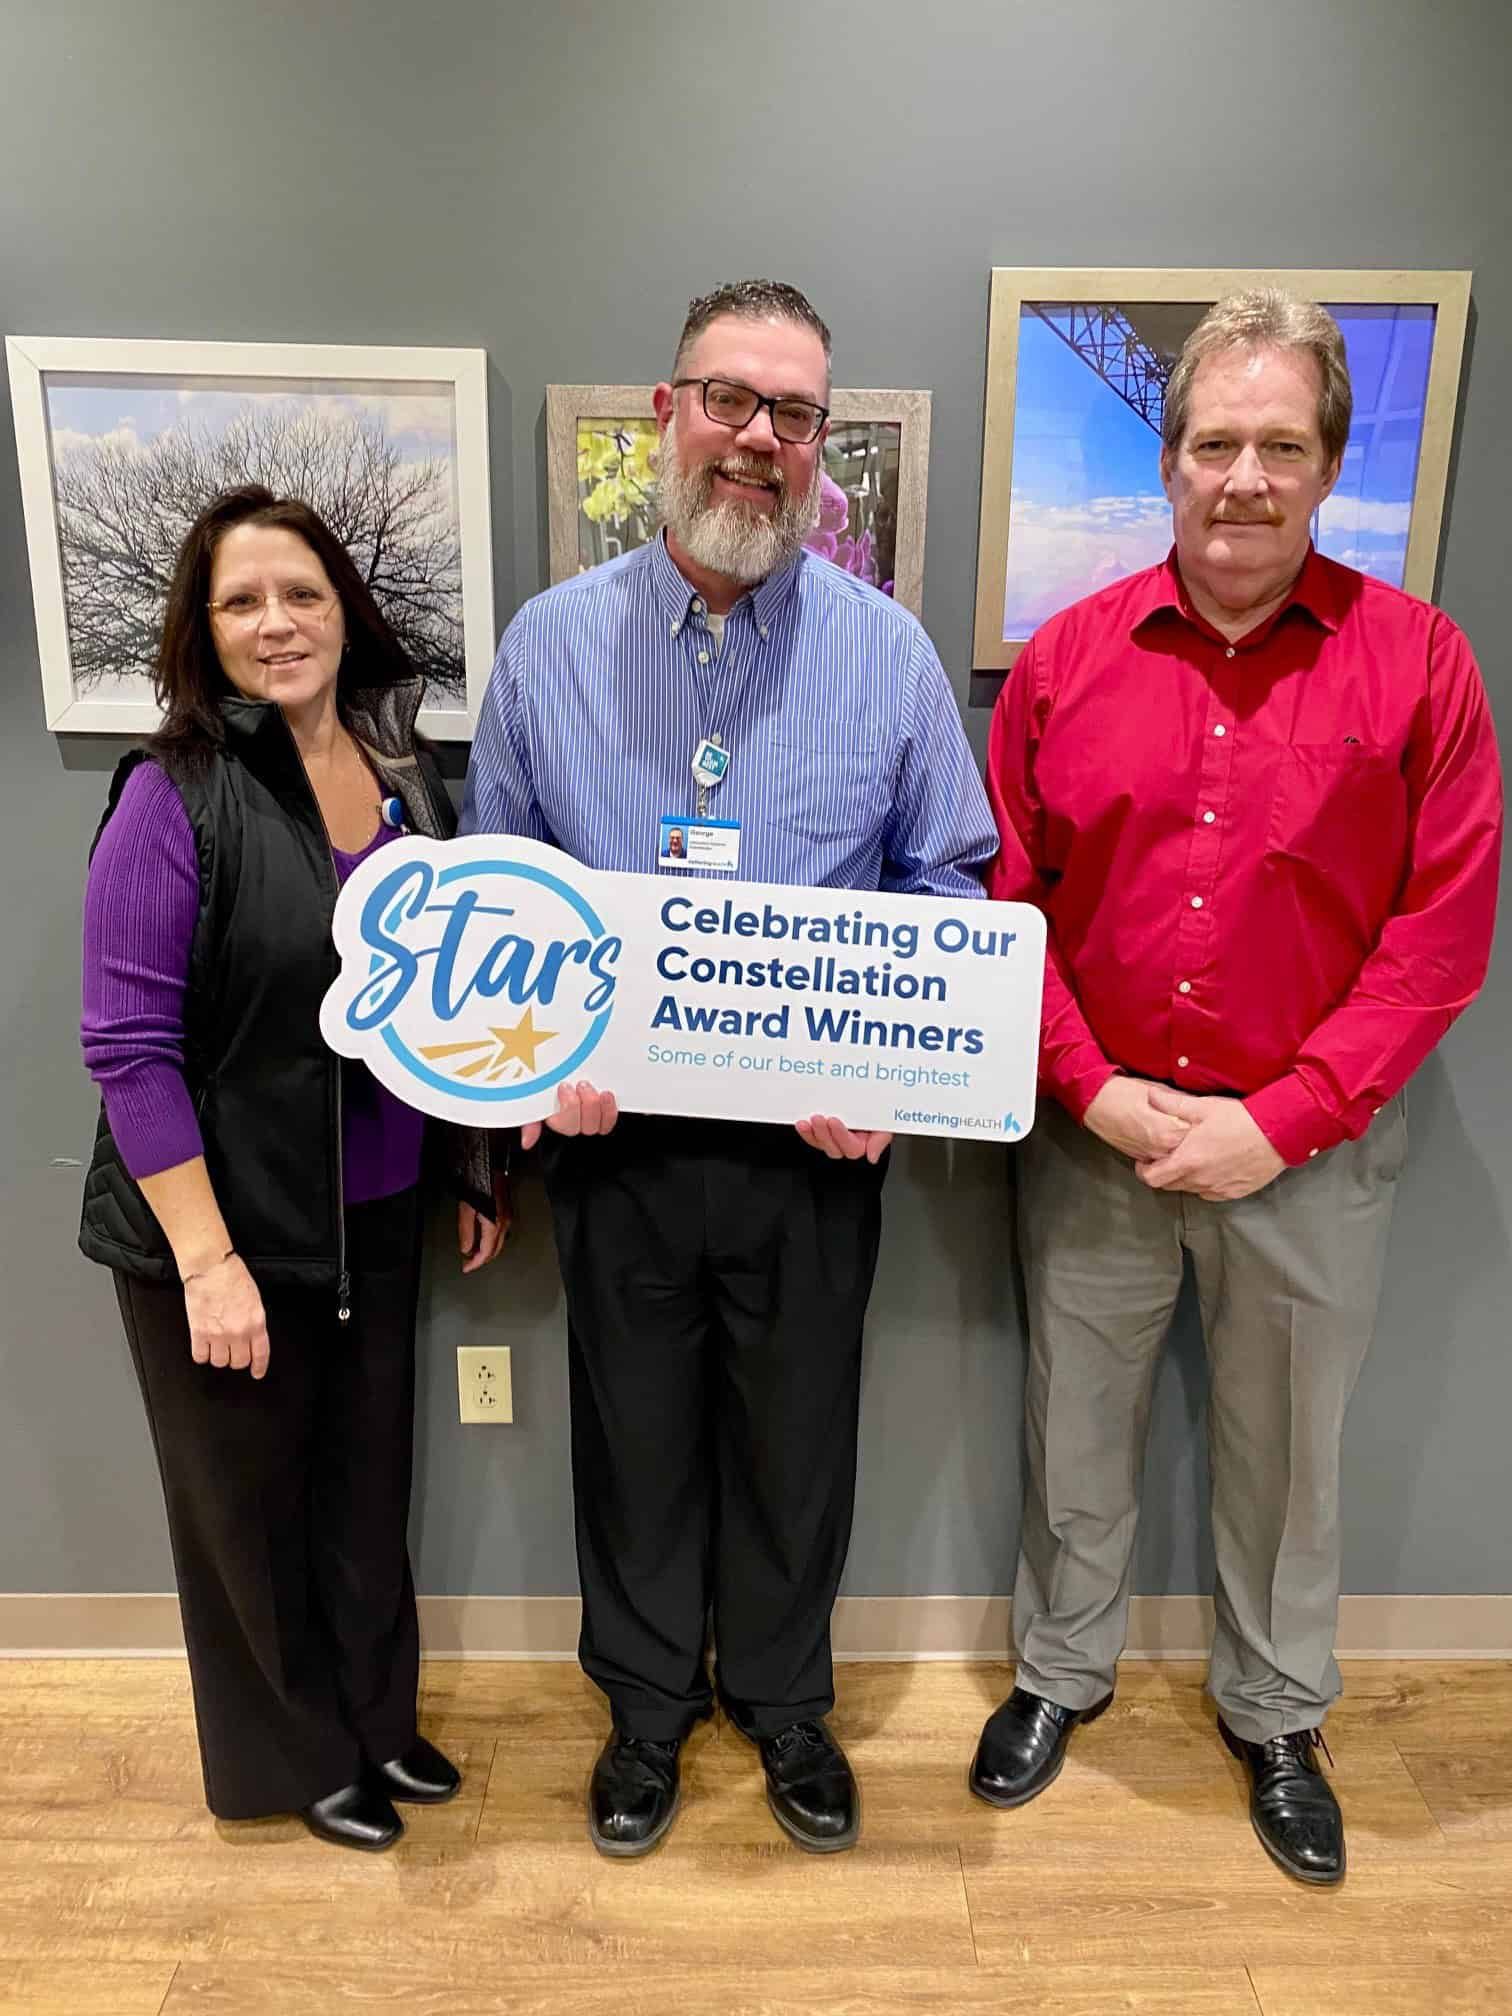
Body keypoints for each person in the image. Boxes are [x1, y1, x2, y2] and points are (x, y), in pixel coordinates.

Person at [462, 279, 996, 1856]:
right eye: (730, 400)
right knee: (630, 1440)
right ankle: (643, 1713)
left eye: (795, 413)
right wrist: (537, 1063)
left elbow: (950, 885)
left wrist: (888, 1065)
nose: (760, 438)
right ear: (668, 414)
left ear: (821, 445)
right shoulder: (551, 648)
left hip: (808, 1152)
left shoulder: (889, 657)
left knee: (795, 1442)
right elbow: (500, 885)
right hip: (614, 1141)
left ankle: (780, 1702)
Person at [976, 290, 1502, 1883]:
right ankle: (1060, 1673)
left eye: (1281, 446)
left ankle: (1278, 1714)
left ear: (1331, 465)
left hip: (1309, 1156)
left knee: (1290, 1467)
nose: (1246, 479)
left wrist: (1282, 1119)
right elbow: (1004, 904)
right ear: (1169, 460)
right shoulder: (1066, 661)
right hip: (1098, 1138)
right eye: (1216, 443)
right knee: (1074, 1430)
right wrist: (1090, 1086)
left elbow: (1440, 934)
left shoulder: (1423, 667)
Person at [80, 485, 509, 1852]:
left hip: (372, 1211)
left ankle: (377, 1724)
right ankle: (294, 1759)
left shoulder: (407, 782)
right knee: (249, 1516)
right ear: (202, 633)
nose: (278, 623)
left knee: (365, 1494)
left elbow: (446, 1003)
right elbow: (128, 1049)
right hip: (229, 1230)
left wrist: (471, 1167)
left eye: (302, 594)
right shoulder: (172, 797)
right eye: (242, 601)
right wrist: (206, 1263)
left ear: (344, 614)